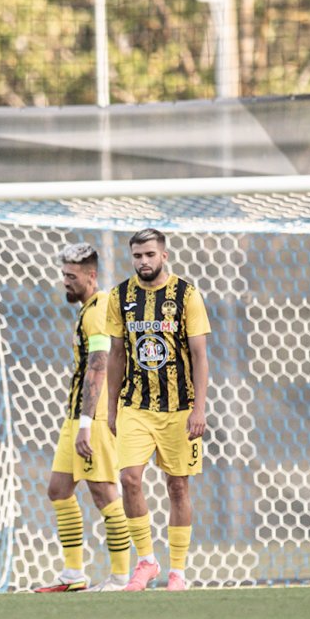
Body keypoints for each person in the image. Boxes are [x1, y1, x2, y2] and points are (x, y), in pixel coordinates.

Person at [106, 228, 210, 592]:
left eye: (150, 254)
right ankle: (147, 561)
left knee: (177, 487)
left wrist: (199, 409)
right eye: (137, 255)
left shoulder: (187, 295)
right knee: (129, 479)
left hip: (180, 409)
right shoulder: (120, 296)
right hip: (135, 405)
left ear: (164, 255)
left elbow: (199, 355)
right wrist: (111, 408)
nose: (143, 261)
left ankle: (177, 571)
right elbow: (116, 354)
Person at [34, 244, 131, 594]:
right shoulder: (87, 309)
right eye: (64, 275)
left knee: (104, 492)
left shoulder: (99, 310)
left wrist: (87, 424)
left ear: (91, 276)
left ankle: (120, 577)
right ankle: (73, 573)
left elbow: (99, 367)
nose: (66, 282)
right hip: (76, 415)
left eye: (72, 276)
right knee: (59, 490)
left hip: (95, 418)